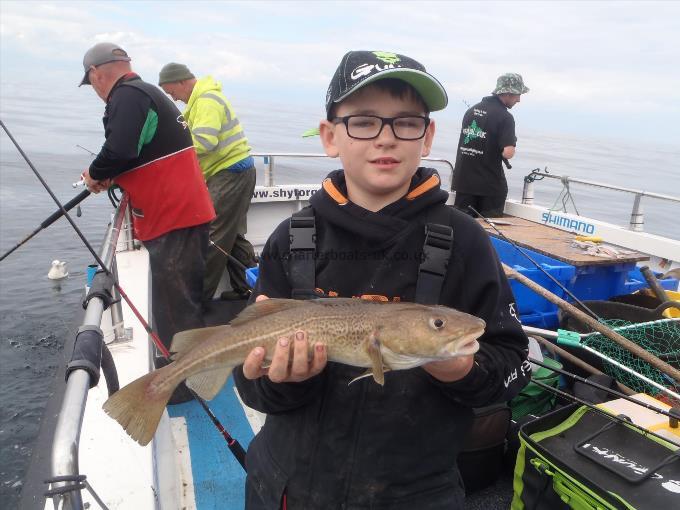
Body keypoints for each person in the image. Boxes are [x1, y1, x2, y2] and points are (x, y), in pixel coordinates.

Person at [233, 50, 530, 509]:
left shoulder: (466, 241)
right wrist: (279, 380)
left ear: (427, 136)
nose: (386, 139)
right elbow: (250, 379)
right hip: (287, 486)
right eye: (364, 122)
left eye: (406, 122)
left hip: (415, 494)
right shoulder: (291, 238)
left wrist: (464, 370)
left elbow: (513, 365)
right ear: (331, 136)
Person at [79, 43, 216, 391]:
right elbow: (139, 151)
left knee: (176, 306)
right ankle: (196, 373)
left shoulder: (126, 96)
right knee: (185, 299)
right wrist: (113, 173)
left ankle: (185, 385)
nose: (94, 88)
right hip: (185, 212)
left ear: (97, 74)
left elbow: (120, 149)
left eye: (92, 81)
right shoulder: (146, 93)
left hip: (173, 217)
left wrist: (96, 174)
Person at [158, 63, 257, 303]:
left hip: (231, 174)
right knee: (232, 235)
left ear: (182, 82)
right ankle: (249, 289)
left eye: (172, 92)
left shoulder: (207, 101)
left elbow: (203, 142)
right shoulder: (200, 100)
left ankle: (197, 299)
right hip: (234, 172)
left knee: (211, 236)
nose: (174, 98)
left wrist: (169, 154)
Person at [451, 73, 529, 218]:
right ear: (507, 92)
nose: (518, 99)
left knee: (462, 227)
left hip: (463, 182)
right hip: (489, 187)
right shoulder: (505, 117)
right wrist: (512, 141)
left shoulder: (471, 111)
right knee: (486, 231)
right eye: (518, 94)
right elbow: (508, 153)